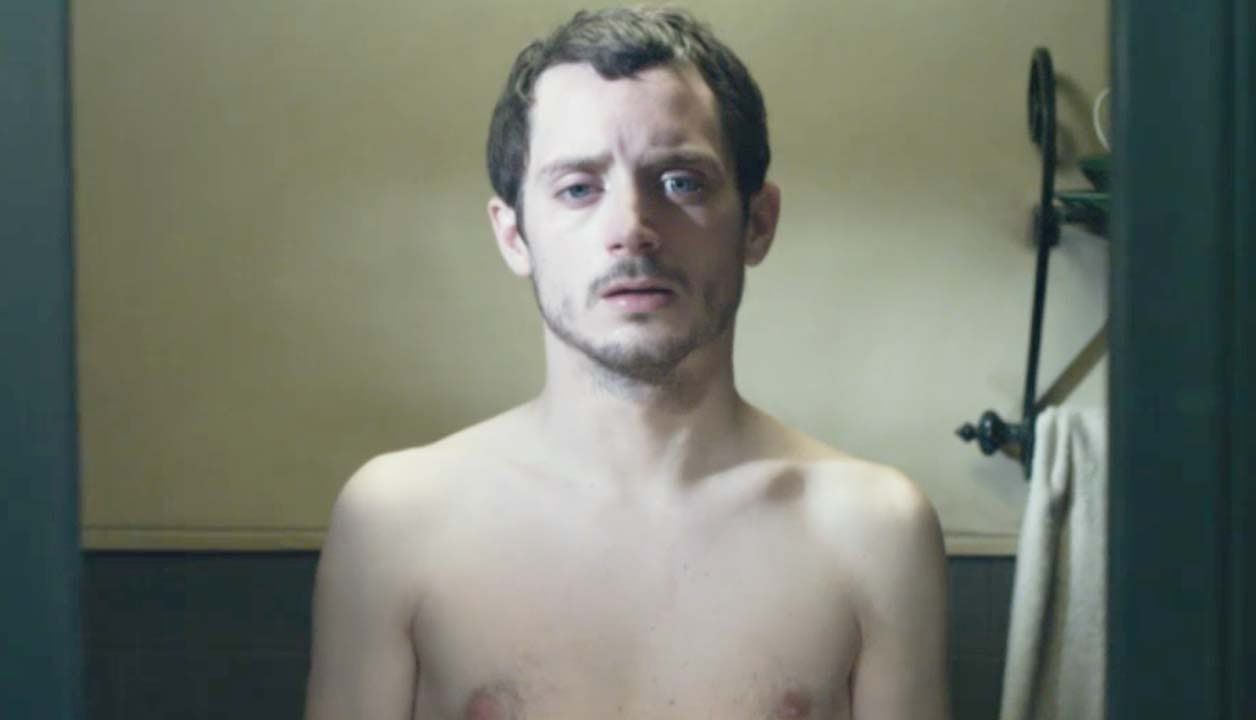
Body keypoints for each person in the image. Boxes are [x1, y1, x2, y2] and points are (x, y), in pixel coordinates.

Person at [305, 7, 950, 719]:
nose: (632, 229)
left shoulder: (872, 531)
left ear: (758, 222)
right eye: (579, 188)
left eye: (681, 182)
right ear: (514, 235)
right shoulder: (396, 521)